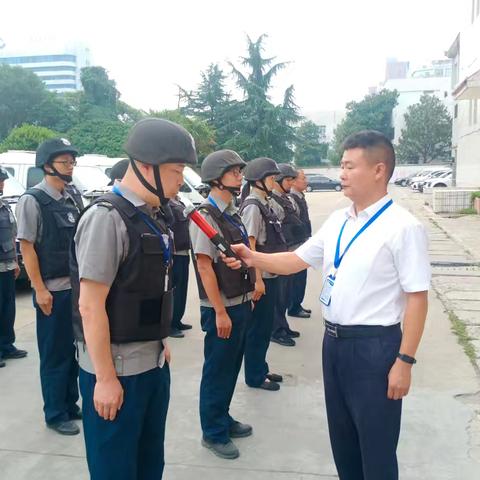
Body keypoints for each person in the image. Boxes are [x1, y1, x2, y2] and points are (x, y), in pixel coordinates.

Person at [226, 131, 431, 480]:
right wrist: (252, 258)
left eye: (350, 166)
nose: (342, 174)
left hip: (375, 348)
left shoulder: (403, 228)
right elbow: (295, 260)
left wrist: (404, 361)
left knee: (376, 447)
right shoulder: (339, 220)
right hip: (333, 344)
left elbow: (417, 298)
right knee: (343, 441)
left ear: (379, 170)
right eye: (342, 165)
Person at [71, 118, 197, 480]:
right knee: (116, 469)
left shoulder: (152, 217)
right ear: (145, 167)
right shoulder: (106, 218)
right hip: (119, 371)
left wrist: (158, 341)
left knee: (148, 464)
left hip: (152, 364)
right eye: (176, 171)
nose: (180, 181)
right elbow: (90, 306)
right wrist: (106, 379)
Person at [190, 150, 255, 460]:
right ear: (217, 177)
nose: (240, 176)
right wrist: (219, 311)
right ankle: (212, 432)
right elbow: (204, 267)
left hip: (239, 300)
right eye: (235, 172)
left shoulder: (231, 211)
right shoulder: (204, 216)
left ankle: (223, 417)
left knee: (230, 368)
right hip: (221, 306)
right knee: (217, 370)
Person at [16, 138, 83, 435]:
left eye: (72, 161)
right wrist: (39, 289)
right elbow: (27, 247)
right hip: (52, 291)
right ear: (47, 165)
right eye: (64, 161)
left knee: (74, 350)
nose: (70, 166)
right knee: (55, 354)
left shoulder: (72, 196)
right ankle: (55, 413)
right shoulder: (33, 200)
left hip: (75, 289)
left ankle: (70, 403)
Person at [239, 157, 285, 391]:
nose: (274, 182)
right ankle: (255, 375)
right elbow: (251, 245)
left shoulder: (265, 203)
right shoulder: (252, 207)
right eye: (270, 178)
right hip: (262, 277)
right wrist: (256, 280)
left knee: (265, 327)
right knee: (258, 329)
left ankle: (261, 367)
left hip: (271, 274)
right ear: (258, 181)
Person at [269, 163, 305, 346]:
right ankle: (276, 330)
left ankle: (282, 324)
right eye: (289, 179)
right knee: (279, 295)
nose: (291, 182)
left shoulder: (285, 198)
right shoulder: (271, 201)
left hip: (289, 250)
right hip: (280, 254)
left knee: (285, 294)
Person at [0, 166, 26, 368]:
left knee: (8, 309)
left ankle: (7, 345)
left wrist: (15, 261)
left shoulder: (4, 205)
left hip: (7, 265)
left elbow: (11, 235)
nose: (2, 184)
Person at [287, 168, 312, 318]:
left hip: (302, 242)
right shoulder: (292, 199)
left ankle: (297, 304)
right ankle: (293, 307)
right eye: (303, 178)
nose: (306, 181)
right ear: (294, 181)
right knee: (295, 279)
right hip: (295, 245)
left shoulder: (300, 197)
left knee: (301, 278)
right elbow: (292, 224)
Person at [168, 194, 193, 338]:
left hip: (183, 250)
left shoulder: (178, 201)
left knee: (182, 288)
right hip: (175, 252)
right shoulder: (167, 204)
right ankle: (170, 323)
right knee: (175, 289)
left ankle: (177, 320)